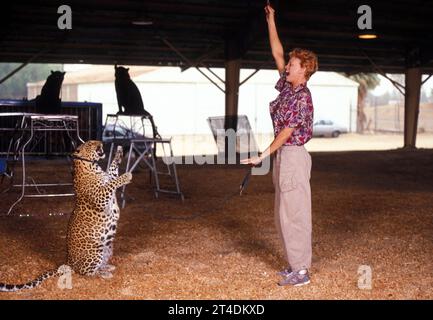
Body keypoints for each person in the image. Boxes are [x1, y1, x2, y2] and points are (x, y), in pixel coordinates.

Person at [241, 3, 318, 287]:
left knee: (295, 212)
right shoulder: (288, 86)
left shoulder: (302, 96)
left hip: (294, 155)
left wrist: (262, 154)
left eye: (292, 65)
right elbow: (276, 51)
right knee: (282, 213)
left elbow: (288, 131)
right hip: (284, 156)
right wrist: (271, 20)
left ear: (304, 70)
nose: (286, 66)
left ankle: (301, 271)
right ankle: (293, 264)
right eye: (288, 63)